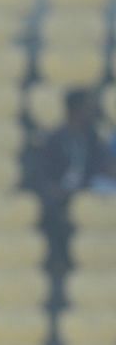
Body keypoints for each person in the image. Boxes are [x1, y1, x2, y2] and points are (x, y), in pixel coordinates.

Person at [29, 87, 116, 266]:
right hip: (58, 198)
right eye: (88, 108)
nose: (92, 113)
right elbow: (42, 175)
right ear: (75, 110)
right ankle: (61, 263)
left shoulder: (92, 138)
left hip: (86, 195)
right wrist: (55, 191)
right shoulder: (53, 139)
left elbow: (103, 167)